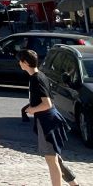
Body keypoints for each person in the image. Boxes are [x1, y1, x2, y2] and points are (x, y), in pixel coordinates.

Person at [19, 49, 81, 186]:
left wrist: (31, 109)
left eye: (20, 61)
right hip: (48, 120)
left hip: (48, 122)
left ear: (24, 63)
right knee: (56, 160)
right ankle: (74, 184)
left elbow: (47, 103)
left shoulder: (36, 78)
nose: (19, 63)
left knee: (51, 161)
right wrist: (31, 106)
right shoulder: (40, 75)